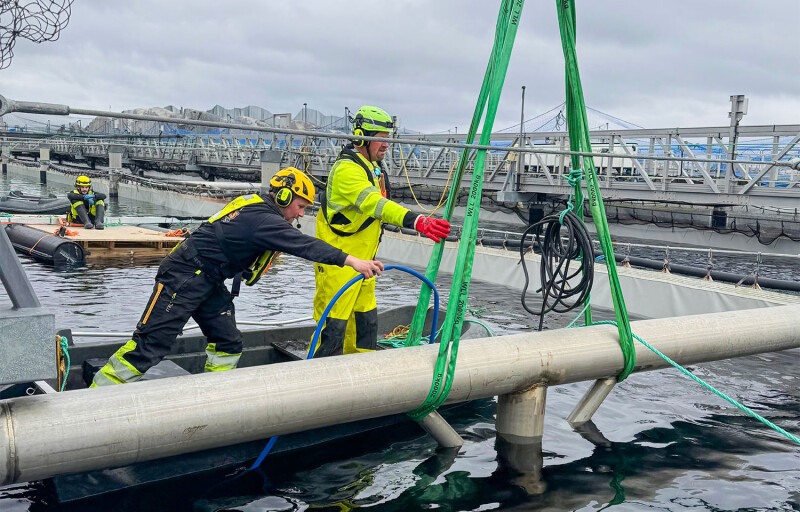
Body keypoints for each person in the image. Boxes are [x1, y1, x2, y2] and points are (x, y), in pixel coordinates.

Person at [91, 168, 384, 387]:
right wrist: (352, 261)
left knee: (228, 342)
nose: (300, 214)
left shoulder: (258, 208)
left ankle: (213, 394)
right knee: (150, 346)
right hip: (184, 275)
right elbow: (306, 246)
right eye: (300, 206)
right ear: (284, 196)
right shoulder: (264, 220)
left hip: (207, 279)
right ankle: (94, 398)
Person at [312, 106, 451, 357]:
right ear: (360, 137)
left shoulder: (371, 167)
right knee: (333, 328)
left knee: (365, 323)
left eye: (389, 139)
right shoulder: (347, 170)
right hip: (339, 264)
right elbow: (376, 204)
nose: (387, 145)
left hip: (364, 264)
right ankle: (322, 380)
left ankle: (365, 376)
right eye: (381, 139)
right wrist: (417, 221)